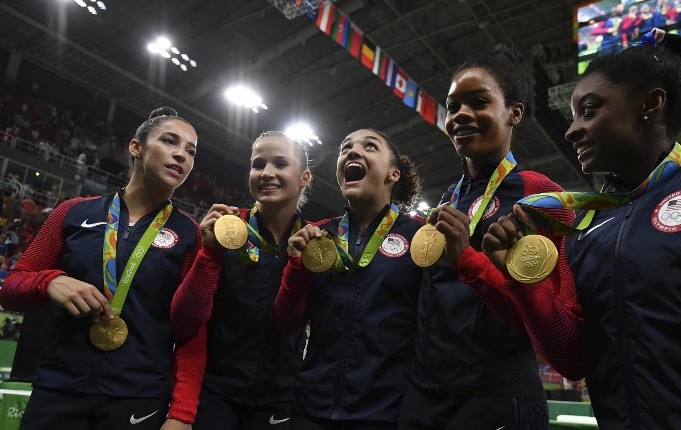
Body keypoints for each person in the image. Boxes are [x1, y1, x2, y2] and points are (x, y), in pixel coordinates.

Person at [482, 30, 681, 429]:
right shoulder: (583, 227)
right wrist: (523, 280)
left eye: (590, 110)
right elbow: (572, 357)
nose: (571, 129)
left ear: (651, 104)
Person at [0, 106, 207, 430]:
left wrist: (182, 414)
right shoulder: (72, 212)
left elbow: (191, 333)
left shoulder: (191, 235)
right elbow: (12, 290)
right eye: (170, 141)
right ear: (135, 147)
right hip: (59, 386)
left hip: (138, 397)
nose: (181, 155)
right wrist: (49, 282)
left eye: (190, 151)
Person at [398, 48, 571, 430]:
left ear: (515, 113)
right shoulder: (447, 198)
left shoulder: (539, 195)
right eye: (452, 105)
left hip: (495, 393)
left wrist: (466, 259)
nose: (460, 114)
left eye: (479, 102)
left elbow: (546, 316)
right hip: (426, 392)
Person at [275, 128, 423, 429]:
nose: (352, 152)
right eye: (345, 148)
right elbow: (288, 322)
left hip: (386, 413)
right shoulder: (318, 235)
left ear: (394, 174)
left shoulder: (421, 237)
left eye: (370, 146)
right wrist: (295, 265)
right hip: (310, 409)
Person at [169, 131, 312, 429]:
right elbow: (185, 320)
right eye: (258, 164)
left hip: (281, 399)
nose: (267, 173)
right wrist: (209, 253)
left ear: (304, 177)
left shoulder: (314, 244)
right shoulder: (222, 232)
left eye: (281, 163)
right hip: (215, 393)